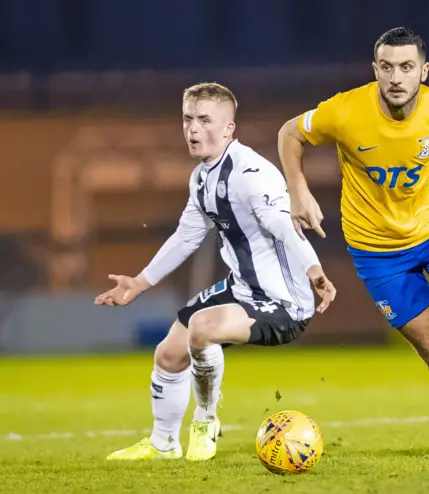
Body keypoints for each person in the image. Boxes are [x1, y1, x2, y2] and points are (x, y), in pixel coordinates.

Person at [277, 27, 429, 458]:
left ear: (423, 71)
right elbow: (290, 133)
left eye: (407, 67)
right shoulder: (346, 110)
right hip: (378, 253)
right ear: (375, 69)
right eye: (387, 67)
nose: (396, 77)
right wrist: (297, 190)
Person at [95, 82, 336, 461]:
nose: (193, 129)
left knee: (203, 329)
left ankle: (206, 421)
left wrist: (314, 270)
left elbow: (282, 224)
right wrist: (140, 282)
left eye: (205, 120)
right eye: (188, 119)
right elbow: (187, 236)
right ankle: (163, 445)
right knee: (169, 353)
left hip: (284, 303)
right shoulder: (202, 177)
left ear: (229, 129)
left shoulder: (251, 172)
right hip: (241, 290)